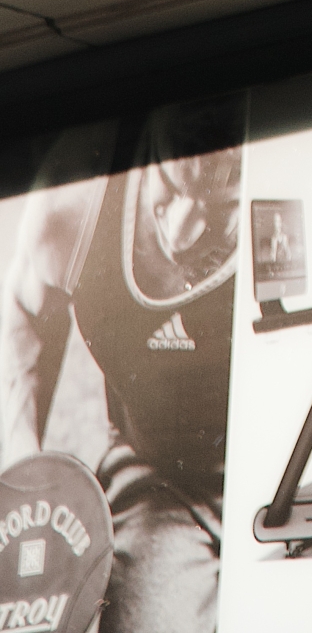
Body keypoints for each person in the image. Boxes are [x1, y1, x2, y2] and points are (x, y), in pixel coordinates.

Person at [0, 101, 244, 633]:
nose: (182, 229)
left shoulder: (311, 176)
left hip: (293, 472)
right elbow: (22, 309)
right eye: (169, 187)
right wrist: (23, 475)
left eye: (220, 208)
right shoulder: (81, 188)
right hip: (169, 481)